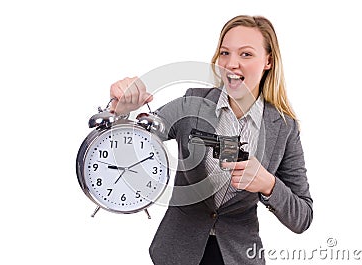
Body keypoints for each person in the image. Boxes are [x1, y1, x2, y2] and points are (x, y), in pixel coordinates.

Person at [110, 15, 313, 265]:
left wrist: (268, 184)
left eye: (246, 54)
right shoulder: (192, 103)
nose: (231, 64)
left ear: (268, 61)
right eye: (225, 53)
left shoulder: (283, 127)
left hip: (238, 257)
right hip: (176, 254)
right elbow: (133, 139)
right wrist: (120, 110)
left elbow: (302, 217)